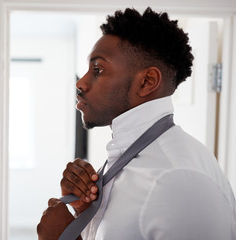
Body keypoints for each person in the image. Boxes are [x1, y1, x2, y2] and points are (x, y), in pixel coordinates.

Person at [36, 7, 236, 240]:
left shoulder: (178, 180)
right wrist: (86, 210)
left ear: (147, 82)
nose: (80, 82)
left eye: (98, 69)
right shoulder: (131, 155)